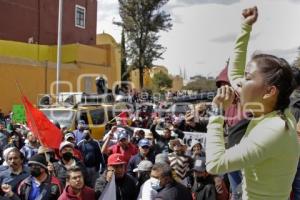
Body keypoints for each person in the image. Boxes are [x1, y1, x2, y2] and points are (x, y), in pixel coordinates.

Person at [205, 6, 300, 200]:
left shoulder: (274, 130)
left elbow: (215, 164)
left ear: (269, 91)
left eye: (248, 78)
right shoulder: (274, 112)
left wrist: (216, 114)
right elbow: (234, 74)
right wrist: (245, 28)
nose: (239, 83)